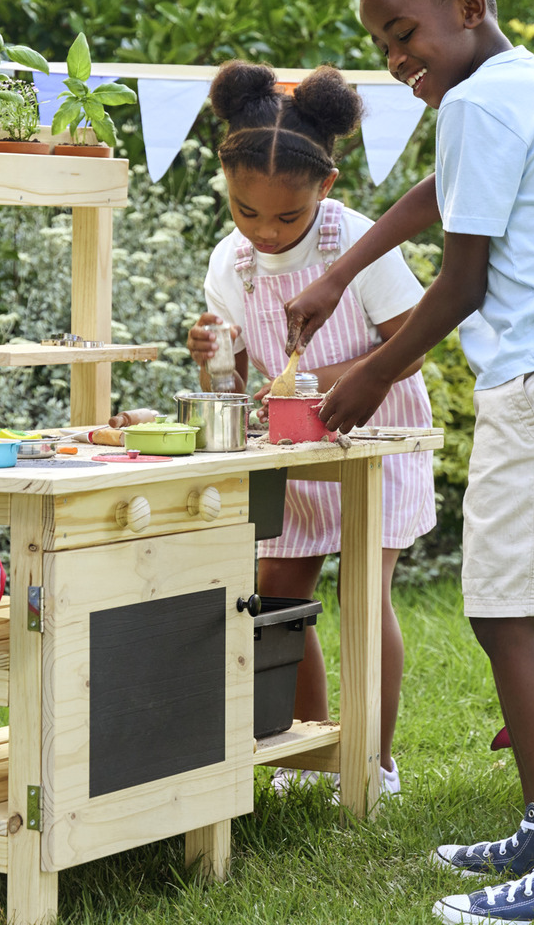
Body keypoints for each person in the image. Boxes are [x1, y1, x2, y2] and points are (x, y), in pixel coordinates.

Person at [283, 0, 534, 922]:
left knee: (501, 612)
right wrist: (341, 271)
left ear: (468, 5)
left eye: (404, 34)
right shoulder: (532, 81)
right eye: (381, 45)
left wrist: (369, 373)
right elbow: (446, 192)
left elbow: (462, 282)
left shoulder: (479, 103)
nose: (394, 59)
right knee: (510, 606)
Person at [185, 60, 436, 798]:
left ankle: (371, 760)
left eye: (286, 218)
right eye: (246, 212)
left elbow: (412, 344)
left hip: (376, 441)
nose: (265, 232)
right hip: (292, 451)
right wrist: (213, 357)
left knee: (364, 592)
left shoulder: (354, 242)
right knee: (279, 593)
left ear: (325, 186)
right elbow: (232, 387)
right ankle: (302, 750)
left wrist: (322, 378)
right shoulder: (231, 261)